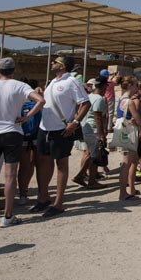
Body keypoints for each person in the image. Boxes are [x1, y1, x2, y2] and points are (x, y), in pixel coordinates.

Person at [34, 56, 90, 216]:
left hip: (61, 129)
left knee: (61, 164)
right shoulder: (53, 81)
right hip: (45, 128)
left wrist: (75, 122)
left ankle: (59, 203)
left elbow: (85, 103)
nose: (52, 63)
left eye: (55, 61)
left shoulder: (71, 81)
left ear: (62, 66)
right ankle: (43, 197)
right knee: (43, 160)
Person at [0, 58, 45, 226]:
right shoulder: (20, 86)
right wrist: (27, 116)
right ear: (13, 70)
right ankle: (8, 215)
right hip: (13, 131)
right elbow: (41, 100)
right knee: (10, 175)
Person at [72, 76, 108, 188]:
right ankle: (92, 181)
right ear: (103, 86)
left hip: (85, 128)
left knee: (89, 153)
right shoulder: (99, 99)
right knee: (94, 156)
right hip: (93, 130)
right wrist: (102, 135)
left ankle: (81, 175)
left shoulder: (89, 97)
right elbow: (98, 118)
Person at [116, 76, 141, 201]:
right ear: (131, 85)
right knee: (127, 162)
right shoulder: (130, 101)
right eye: (136, 85)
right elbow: (138, 120)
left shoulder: (121, 99)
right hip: (130, 131)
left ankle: (130, 189)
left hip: (123, 130)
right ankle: (123, 192)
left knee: (132, 161)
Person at [18, 78, 43, 206]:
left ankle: (23, 195)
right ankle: (41, 193)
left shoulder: (19, 100)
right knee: (39, 165)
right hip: (37, 137)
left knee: (23, 167)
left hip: (23, 137)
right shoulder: (38, 102)